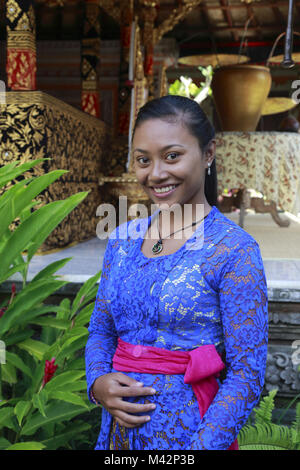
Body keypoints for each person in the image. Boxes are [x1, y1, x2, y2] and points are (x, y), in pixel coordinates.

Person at [85, 95, 268, 451]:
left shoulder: (232, 250)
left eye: (172, 156)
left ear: (208, 154)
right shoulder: (122, 240)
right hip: (118, 439)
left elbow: (247, 373)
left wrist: (200, 448)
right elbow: (101, 329)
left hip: (192, 436)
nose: (155, 174)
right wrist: (97, 383)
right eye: (143, 160)